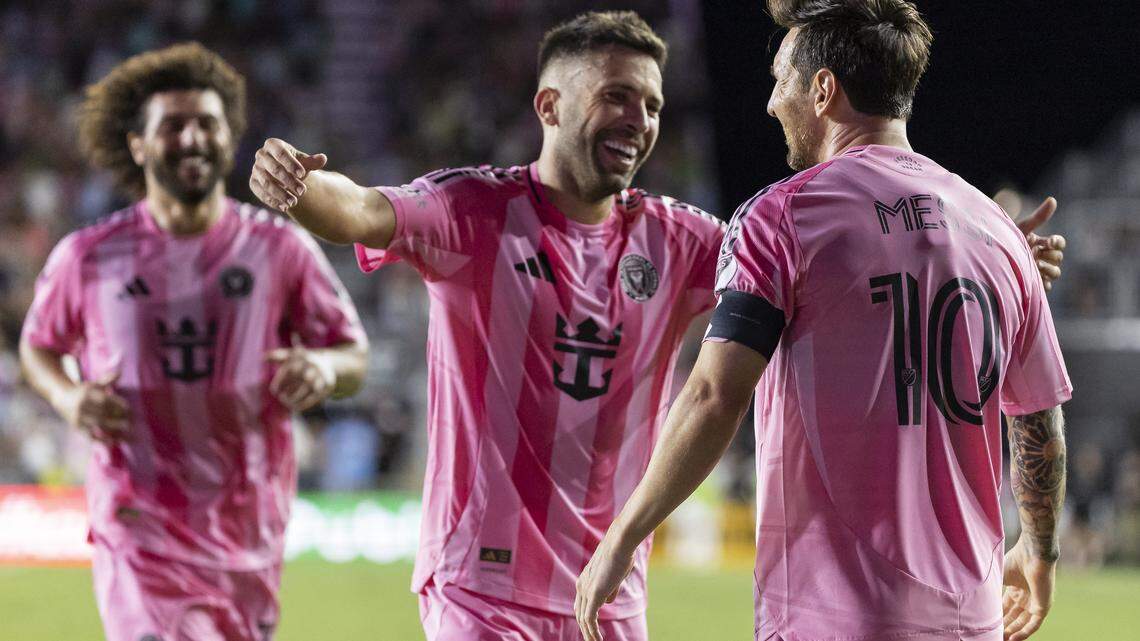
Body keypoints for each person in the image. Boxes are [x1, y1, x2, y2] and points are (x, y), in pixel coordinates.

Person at [250, 10, 1065, 641]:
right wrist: (299, 189)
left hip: (614, 591)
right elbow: (363, 210)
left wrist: (963, 259)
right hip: (482, 581)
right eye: (616, 97)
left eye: (651, 104)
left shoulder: (683, 237)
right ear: (550, 104)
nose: (639, 119)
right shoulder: (472, 209)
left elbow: (821, 292)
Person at [575, 3, 1070, 641]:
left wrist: (623, 536)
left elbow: (714, 394)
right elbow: (1039, 422)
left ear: (823, 88)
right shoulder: (996, 231)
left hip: (831, 614)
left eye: (782, 80)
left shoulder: (784, 217)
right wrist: (1041, 550)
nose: (772, 102)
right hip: (970, 620)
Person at [20, 43, 368, 641]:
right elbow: (38, 345)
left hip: (249, 524)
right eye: (172, 125)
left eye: (206, 124)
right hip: (138, 519)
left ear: (228, 137)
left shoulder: (279, 250)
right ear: (138, 144)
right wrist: (69, 398)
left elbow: (352, 355)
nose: (190, 139)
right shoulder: (90, 256)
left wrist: (321, 368)